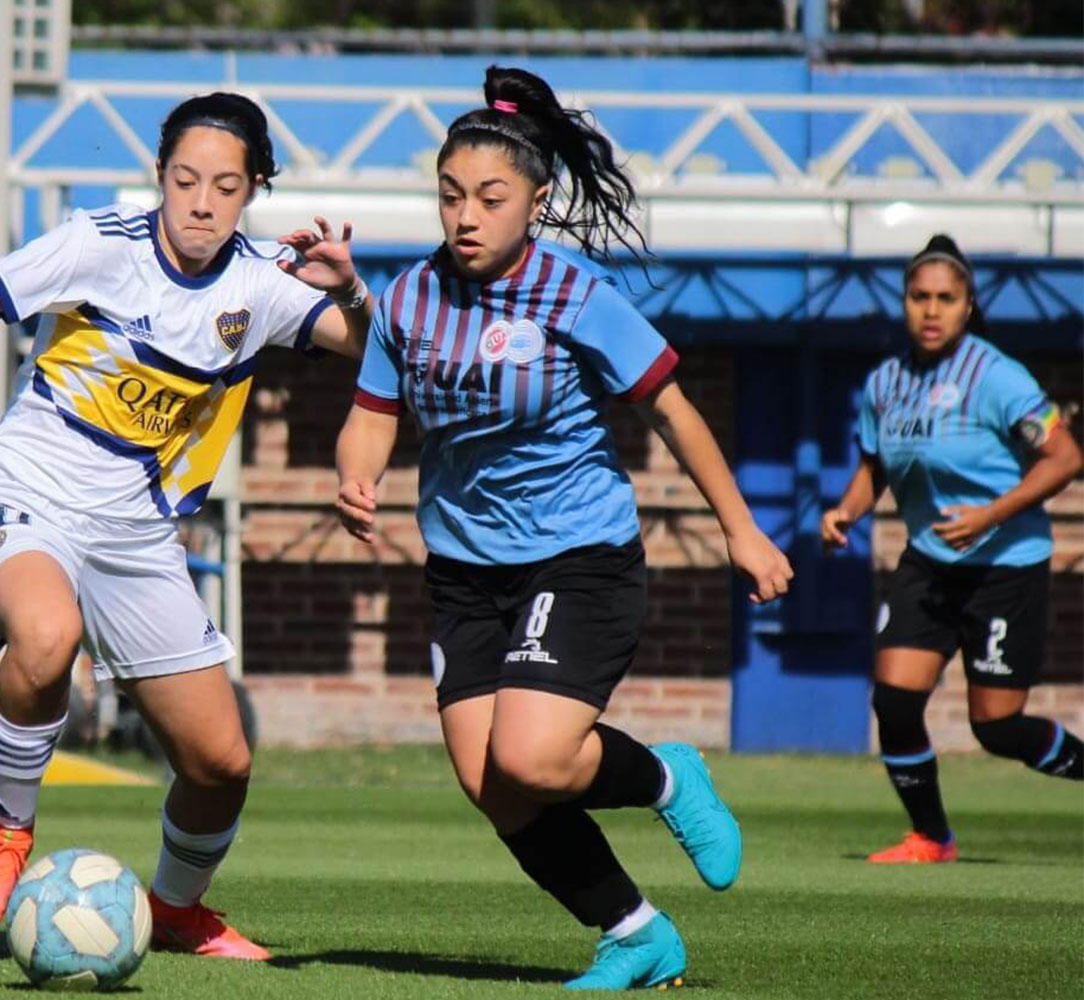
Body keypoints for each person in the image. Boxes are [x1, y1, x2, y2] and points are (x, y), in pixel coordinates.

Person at [0, 92, 373, 959]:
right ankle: (8, 832)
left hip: (137, 537)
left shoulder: (261, 281)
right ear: (159, 176)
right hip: (24, 492)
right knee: (46, 636)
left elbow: (371, 351)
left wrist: (355, 290)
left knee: (221, 764)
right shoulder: (99, 244)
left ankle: (178, 911)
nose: (202, 201)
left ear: (253, 190)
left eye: (226, 185)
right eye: (185, 179)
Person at [333, 66, 792, 991]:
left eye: (490, 198)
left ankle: (665, 777)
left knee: (533, 758)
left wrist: (742, 529)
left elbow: (672, 412)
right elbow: (374, 405)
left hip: (576, 556)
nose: (465, 215)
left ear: (536, 204)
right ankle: (635, 933)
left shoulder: (575, 294)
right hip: (462, 572)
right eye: (450, 195)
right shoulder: (409, 298)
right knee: (492, 784)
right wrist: (357, 471)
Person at [822, 234, 1083, 864]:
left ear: (968, 307)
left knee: (996, 727)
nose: (931, 310)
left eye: (946, 298)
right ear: (904, 303)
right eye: (919, 297)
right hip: (929, 562)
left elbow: (1065, 457)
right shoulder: (885, 383)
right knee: (893, 697)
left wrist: (991, 514)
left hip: (1004, 568)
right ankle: (931, 838)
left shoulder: (997, 377)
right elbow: (875, 465)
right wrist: (847, 511)